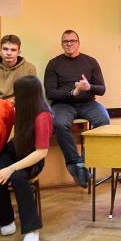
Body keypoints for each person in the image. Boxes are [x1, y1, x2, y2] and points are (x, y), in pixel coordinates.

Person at [0, 76, 51, 241]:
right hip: (14, 150)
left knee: (18, 178)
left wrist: (11, 169)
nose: (13, 97)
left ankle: (31, 229)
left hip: (32, 158)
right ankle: (6, 219)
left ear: (25, 95)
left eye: (16, 93)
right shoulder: (19, 109)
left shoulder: (43, 116)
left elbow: (41, 152)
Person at [44, 30, 109, 188]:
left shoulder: (91, 62)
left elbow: (101, 89)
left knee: (104, 120)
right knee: (59, 123)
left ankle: (82, 163)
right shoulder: (53, 64)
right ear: (62, 44)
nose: (69, 44)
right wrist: (71, 93)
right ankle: (73, 163)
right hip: (63, 104)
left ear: (78, 43)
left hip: (88, 103)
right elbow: (50, 93)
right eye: (65, 41)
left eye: (72, 41)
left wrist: (89, 87)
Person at [0, 34, 38, 106]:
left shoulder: (29, 68)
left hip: (20, 105)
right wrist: (0, 105)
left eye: (13, 50)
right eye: (5, 49)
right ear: (0, 51)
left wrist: (11, 103)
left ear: (18, 52)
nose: (9, 53)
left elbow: (30, 93)